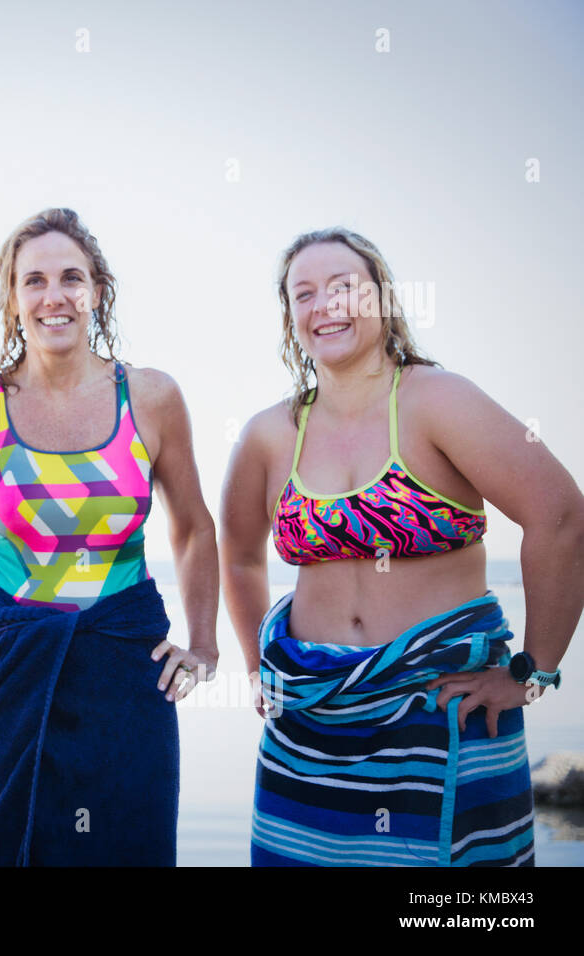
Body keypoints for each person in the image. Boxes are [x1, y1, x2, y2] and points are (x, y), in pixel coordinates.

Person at [220, 227, 584, 866]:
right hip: (310, 726)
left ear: (383, 298)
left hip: (445, 711)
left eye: (344, 286)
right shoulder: (269, 434)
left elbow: (561, 518)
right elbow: (240, 553)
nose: (324, 304)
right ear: (290, 318)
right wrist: (258, 670)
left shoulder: (439, 400)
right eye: (303, 293)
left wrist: (532, 672)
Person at [0, 208, 220, 865]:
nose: (54, 296)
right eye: (33, 281)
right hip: (8, 674)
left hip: (129, 674)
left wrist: (204, 644)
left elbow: (195, 525)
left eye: (72, 277)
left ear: (98, 290)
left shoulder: (149, 397)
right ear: (12, 301)